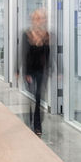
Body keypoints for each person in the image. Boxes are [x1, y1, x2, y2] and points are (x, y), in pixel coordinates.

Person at [21, 8, 51, 136]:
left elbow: (48, 54)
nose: (41, 20)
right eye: (39, 18)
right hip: (29, 71)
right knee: (32, 96)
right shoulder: (26, 34)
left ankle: (37, 124)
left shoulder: (46, 35)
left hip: (41, 71)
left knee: (38, 97)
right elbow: (23, 54)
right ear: (34, 20)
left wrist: (54, 69)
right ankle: (30, 119)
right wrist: (23, 72)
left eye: (43, 18)